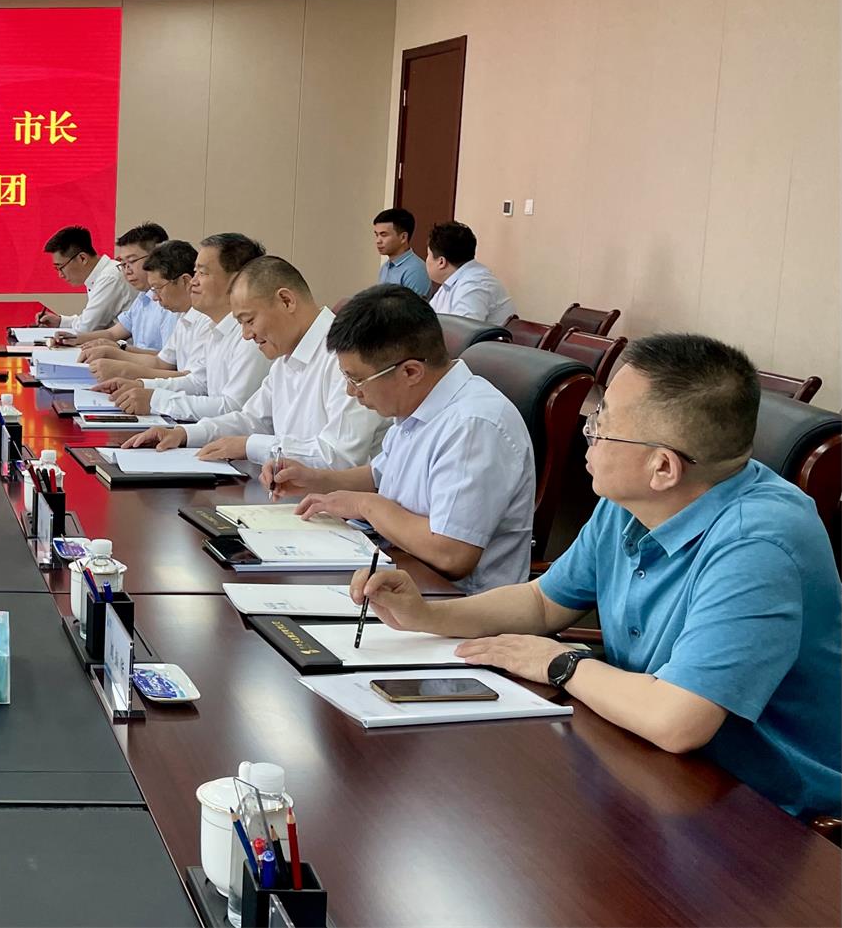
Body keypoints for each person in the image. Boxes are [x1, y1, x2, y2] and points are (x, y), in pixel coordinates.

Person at [352, 334, 840, 818]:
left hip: (766, 806)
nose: (589, 432)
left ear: (663, 467)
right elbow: (544, 603)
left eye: (603, 426)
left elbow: (677, 721)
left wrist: (562, 663)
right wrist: (427, 616)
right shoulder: (634, 500)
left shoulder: (758, 544)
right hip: (649, 758)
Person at [266, 285, 534, 591]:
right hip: (401, 572)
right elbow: (380, 475)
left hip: (454, 601)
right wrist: (315, 479)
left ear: (410, 372)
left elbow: (451, 555)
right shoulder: (419, 404)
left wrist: (367, 506)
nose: (351, 392)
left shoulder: (473, 425)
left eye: (357, 379)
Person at [123, 256, 388, 469]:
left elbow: (340, 457)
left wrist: (250, 446)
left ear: (286, 301)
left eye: (249, 321)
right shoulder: (286, 356)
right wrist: (185, 434)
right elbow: (252, 419)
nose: (246, 335)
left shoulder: (347, 355)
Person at [95, 235, 272, 420]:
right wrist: (141, 385)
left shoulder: (252, 336)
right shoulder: (216, 325)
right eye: (195, 272)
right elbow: (198, 383)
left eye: (203, 273)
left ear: (236, 281)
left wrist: (155, 400)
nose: (193, 282)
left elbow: (234, 409)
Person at [58, 223, 175, 354]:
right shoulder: (142, 297)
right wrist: (75, 338)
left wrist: (120, 349)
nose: (127, 271)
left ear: (157, 258)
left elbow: (168, 359)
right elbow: (112, 334)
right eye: (123, 263)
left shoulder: (171, 304)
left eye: (132, 261)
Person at [34, 225, 135, 332]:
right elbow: (87, 320)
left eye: (60, 267)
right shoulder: (102, 275)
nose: (60, 275)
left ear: (82, 258)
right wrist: (60, 321)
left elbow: (86, 328)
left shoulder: (110, 278)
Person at [424, 220, 516, 325]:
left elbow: (462, 331)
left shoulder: (474, 285)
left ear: (441, 262)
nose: (426, 260)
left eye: (428, 255)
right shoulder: (451, 282)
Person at [372, 207, 431, 297]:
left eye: (384, 235)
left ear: (403, 237)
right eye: (377, 235)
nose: (378, 241)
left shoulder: (416, 271)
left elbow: (412, 305)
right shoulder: (385, 267)